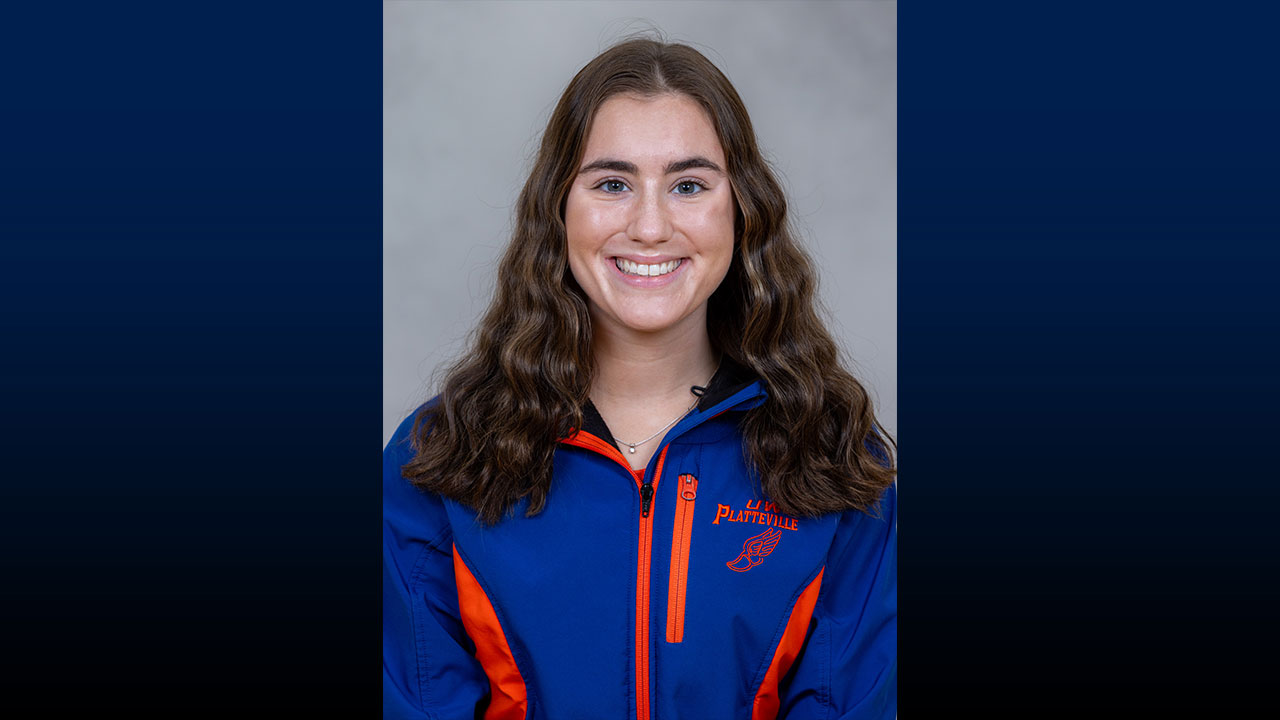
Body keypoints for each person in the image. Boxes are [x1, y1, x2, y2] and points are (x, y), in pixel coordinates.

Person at [384, 37, 897, 720]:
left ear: (742, 211)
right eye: (612, 184)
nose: (650, 226)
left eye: (689, 185)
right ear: (558, 208)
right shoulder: (440, 459)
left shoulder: (834, 461)